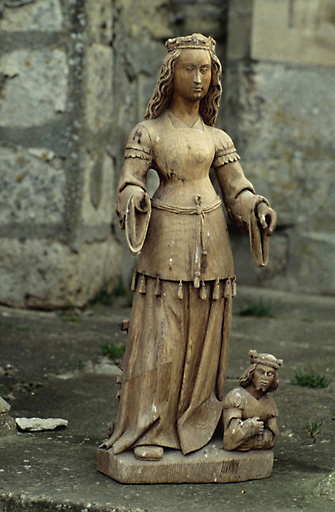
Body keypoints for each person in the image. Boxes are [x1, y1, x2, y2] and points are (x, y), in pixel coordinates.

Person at [102, 34, 277, 461]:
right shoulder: (149, 132)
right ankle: (151, 427)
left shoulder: (217, 137)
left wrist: (256, 206)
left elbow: (237, 191)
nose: (198, 78)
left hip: (213, 243)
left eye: (206, 70)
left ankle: (196, 421)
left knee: (205, 338)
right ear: (171, 74)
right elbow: (129, 180)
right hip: (167, 242)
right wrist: (134, 197)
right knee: (161, 337)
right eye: (189, 69)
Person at [223, 350, 283, 451]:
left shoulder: (270, 404)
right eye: (261, 372)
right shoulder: (236, 397)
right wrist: (249, 427)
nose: (265, 377)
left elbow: (272, 437)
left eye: (270, 374)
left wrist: (254, 443)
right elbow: (229, 439)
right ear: (251, 373)